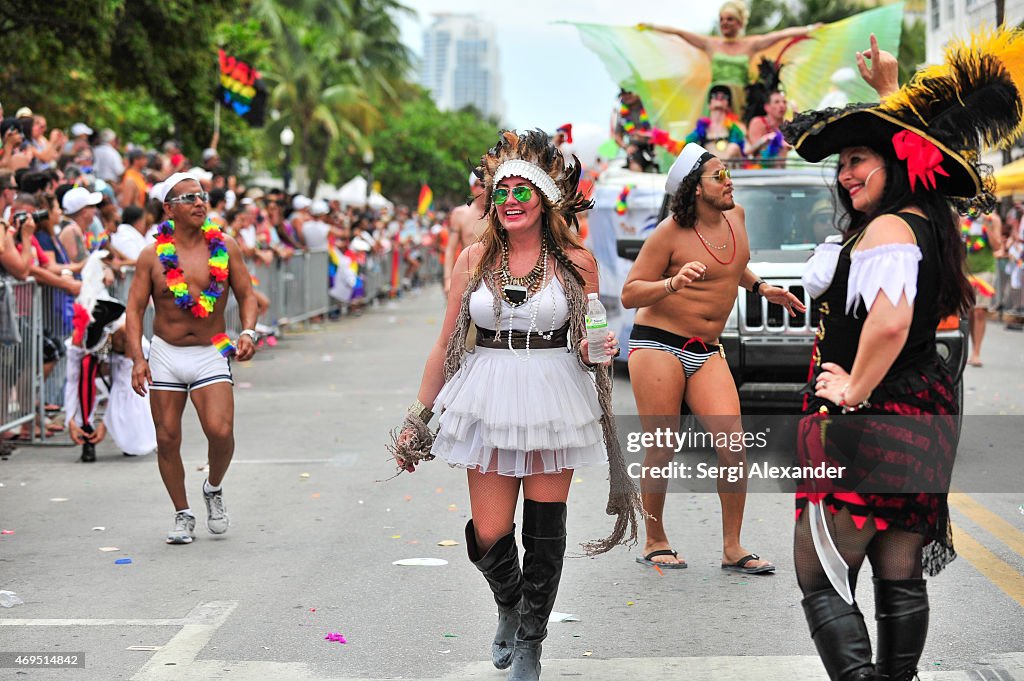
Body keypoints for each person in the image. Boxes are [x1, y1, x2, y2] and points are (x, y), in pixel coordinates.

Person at [780, 31, 1017, 681]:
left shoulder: (887, 227)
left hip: (871, 416)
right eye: (843, 162)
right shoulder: (923, 215)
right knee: (897, 567)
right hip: (920, 407)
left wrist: (853, 388)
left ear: (895, 161)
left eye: (860, 158)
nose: (847, 173)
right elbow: (919, 159)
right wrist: (891, 90)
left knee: (819, 567)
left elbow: (888, 323)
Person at [390, 130, 642, 681]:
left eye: (520, 191)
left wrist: (593, 347)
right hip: (488, 392)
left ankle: (532, 640)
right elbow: (445, 343)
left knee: (545, 530)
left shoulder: (576, 260)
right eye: (499, 190)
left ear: (545, 199)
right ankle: (510, 602)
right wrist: (418, 416)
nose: (508, 199)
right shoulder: (474, 259)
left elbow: (592, 335)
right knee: (489, 531)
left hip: (556, 392)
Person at [621, 141, 804, 571]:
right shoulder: (669, 233)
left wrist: (761, 288)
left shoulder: (736, 217)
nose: (729, 181)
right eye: (718, 175)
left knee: (733, 445)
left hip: (706, 349)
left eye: (728, 173)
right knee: (663, 446)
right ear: (694, 188)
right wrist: (673, 283)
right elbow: (631, 293)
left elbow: (730, 265)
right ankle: (654, 538)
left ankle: (732, 547)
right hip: (658, 344)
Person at [126, 173, 259, 545]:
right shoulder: (152, 255)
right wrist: (139, 358)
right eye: (189, 198)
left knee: (220, 431)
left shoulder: (225, 246)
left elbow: (247, 295)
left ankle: (213, 488)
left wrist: (247, 331)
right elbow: (134, 310)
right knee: (167, 438)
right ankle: (182, 513)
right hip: (166, 352)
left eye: (201, 196)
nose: (200, 202)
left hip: (212, 348)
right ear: (168, 209)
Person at [640, 1, 819, 113]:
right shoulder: (710, 44)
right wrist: (650, 27)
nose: (725, 23)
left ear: (740, 23)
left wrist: (810, 29)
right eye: (722, 19)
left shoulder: (751, 44)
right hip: (717, 97)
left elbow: (782, 34)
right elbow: (679, 32)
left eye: (730, 19)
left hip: (742, 100)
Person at [961, 211, 1002, 367]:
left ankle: (977, 352)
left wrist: (987, 226)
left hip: (985, 270)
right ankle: (970, 348)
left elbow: (997, 245)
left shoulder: (993, 220)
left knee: (979, 311)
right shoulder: (963, 218)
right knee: (969, 312)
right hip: (966, 270)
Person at [443, 171, 488, 294]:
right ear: (473, 187)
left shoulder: (499, 214)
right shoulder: (460, 214)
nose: (487, 190)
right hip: (467, 277)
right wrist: (447, 279)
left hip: (494, 277)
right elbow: (450, 249)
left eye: (490, 185)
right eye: (482, 185)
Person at [685, 85, 746, 160]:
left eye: (724, 97)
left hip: (732, 169)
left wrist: (761, 142)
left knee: (733, 147)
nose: (719, 98)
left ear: (728, 105)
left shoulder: (737, 127)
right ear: (709, 105)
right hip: (711, 168)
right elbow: (685, 147)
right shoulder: (702, 128)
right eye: (714, 96)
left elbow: (746, 151)